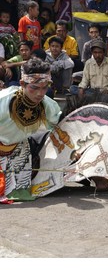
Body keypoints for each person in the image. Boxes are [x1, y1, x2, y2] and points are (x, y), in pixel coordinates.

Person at [0, 57, 62, 204]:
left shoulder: (48, 106)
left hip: (20, 147)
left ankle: (19, 188)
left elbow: (57, 127)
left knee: (20, 190)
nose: (40, 93)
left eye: (44, 87)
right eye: (34, 88)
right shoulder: (4, 100)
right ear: (22, 84)